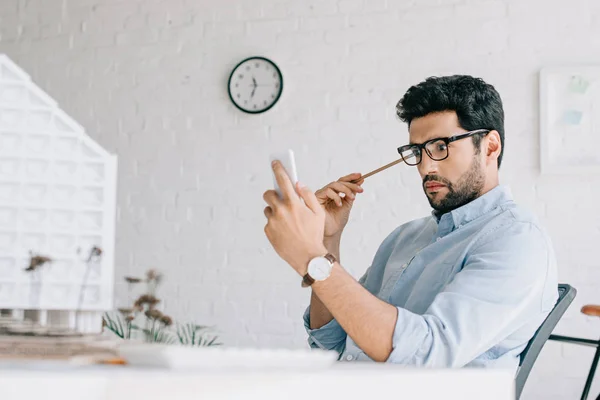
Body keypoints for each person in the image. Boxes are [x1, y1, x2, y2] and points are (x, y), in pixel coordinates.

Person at [262, 75, 558, 368]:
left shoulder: (517, 241)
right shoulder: (404, 237)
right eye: (417, 151)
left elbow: (428, 354)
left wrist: (312, 257)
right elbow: (331, 343)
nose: (426, 166)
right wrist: (327, 240)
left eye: (441, 146)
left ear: (490, 147)